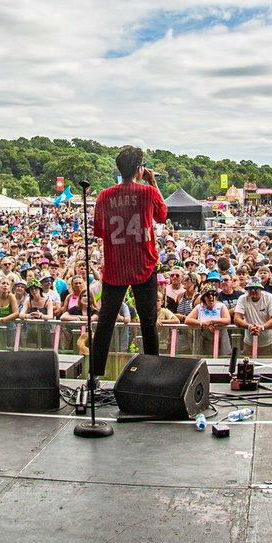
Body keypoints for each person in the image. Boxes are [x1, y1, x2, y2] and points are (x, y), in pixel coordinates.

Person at [89, 145, 167, 379]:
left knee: (105, 323)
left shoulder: (104, 195)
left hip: (115, 268)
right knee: (148, 322)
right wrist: (152, 183)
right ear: (139, 169)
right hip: (144, 265)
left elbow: (101, 231)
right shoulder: (148, 192)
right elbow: (162, 215)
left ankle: (94, 376)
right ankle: (152, 374)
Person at [233, 277, 272, 351]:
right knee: (248, 362)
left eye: (256, 288)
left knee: (269, 362)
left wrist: (262, 327)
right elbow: (237, 318)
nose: (253, 290)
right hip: (249, 342)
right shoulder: (242, 298)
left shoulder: (270, 298)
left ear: (261, 289)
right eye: (250, 288)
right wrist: (249, 326)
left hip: (269, 342)